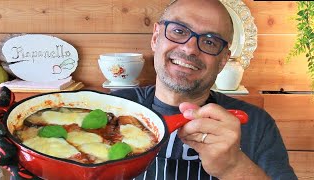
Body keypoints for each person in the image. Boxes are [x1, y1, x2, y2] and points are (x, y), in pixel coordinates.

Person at [110, 0, 297, 179]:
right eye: (178, 31)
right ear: (155, 38)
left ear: (223, 60)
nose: (190, 48)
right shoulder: (111, 109)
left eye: (209, 42)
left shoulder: (257, 125)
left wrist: (234, 168)